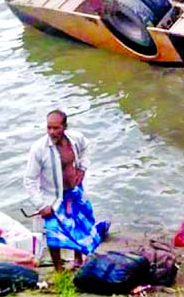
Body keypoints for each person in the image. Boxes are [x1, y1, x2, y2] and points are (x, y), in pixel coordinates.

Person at [23, 110, 108, 271]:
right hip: (53, 196)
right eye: (49, 128)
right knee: (53, 231)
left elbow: (86, 147)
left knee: (80, 224)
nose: (52, 132)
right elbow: (29, 180)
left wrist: (82, 168)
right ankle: (58, 269)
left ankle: (78, 259)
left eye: (56, 128)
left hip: (75, 191)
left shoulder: (75, 139)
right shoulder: (39, 149)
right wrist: (41, 204)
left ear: (65, 127)